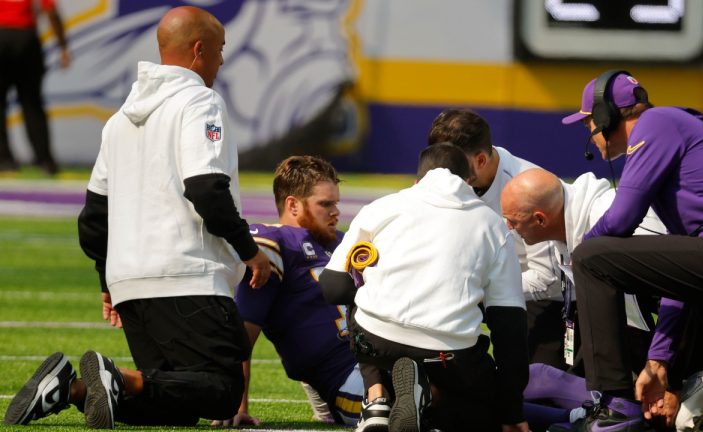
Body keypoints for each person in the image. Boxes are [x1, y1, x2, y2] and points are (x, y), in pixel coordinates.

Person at [4, 6, 271, 428]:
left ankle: (69, 389)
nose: (222, 60)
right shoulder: (199, 100)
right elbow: (205, 188)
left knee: (174, 405)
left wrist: (106, 280)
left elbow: (93, 218)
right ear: (199, 50)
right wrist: (249, 250)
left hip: (130, 284)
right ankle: (115, 377)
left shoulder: (118, 120)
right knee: (221, 391)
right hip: (188, 275)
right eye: (220, 50)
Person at [560, 69, 703, 431]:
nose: (589, 135)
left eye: (588, 123)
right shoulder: (670, 131)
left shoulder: (655, 123)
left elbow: (621, 218)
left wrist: (580, 253)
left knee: (591, 258)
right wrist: (658, 360)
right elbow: (683, 284)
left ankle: (614, 403)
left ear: (606, 116)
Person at [320, 142, 531, 432]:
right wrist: (511, 412)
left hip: (376, 343)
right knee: (482, 414)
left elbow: (333, 287)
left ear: (418, 179)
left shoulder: (382, 208)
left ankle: (377, 398)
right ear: (469, 181)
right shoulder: (493, 226)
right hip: (450, 356)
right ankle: (431, 396)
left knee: (359, 283)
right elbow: (510, 328)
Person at [500, 168, 703, 431]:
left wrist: (670, 379)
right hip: (652, 359)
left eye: (512, 220)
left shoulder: (618, 224)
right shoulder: (571, 227)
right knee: (535, 379)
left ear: (540, 219)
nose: (508, 228)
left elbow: (685, 291)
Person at [213, 155, 363, 428]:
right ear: (293, 204)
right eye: (325, 204)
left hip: (370, 364)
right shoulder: (274, 243)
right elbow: (243, 332)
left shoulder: (342, 242)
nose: (335, 212)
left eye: (336, 203)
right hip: (348, 378)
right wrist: (236, 404)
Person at [427, 109, 567, 370]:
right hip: (476, 286)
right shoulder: (444, 180)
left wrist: (479, 289)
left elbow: (549, 280)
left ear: (480, 160)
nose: (442, 176)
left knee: (534, 385)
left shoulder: (529, 187)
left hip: (536, 302)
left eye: (452, 168)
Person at [0, 0, 70, 174]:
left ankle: (4, 160)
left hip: (3, 36)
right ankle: (45, 161)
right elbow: (51, 11)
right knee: (32, 102)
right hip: (26, 38)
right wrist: (63, 47)